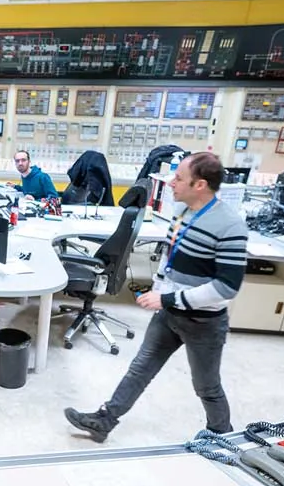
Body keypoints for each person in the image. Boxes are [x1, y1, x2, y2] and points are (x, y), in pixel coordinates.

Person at [63, 153, 247, 441]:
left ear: (199, 185)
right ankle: (105, 420)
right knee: (139, 369)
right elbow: (167, 258)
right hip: (169, 313)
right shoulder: (183, 212)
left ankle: (221, 432)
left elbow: (226, 287)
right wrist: (159, 289)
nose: (170, 183)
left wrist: (168, 299)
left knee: (206, 386)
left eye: (178, 178)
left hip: (204, 322)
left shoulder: (230, 225)